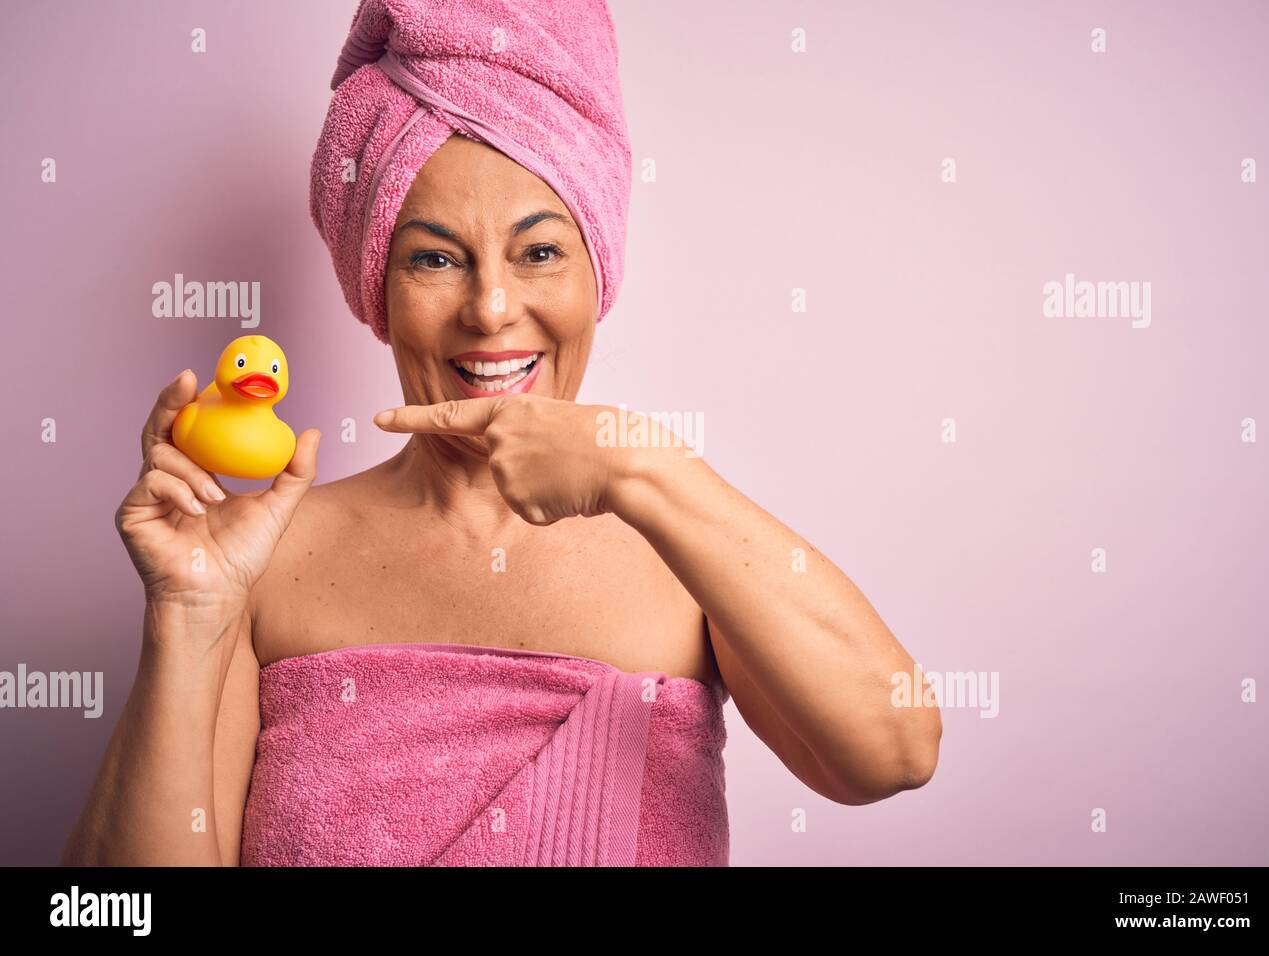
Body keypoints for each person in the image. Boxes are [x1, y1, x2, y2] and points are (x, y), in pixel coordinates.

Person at [62, 0, 939, 867]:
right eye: (435, 258)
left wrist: (638, 469)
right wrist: (187, 616)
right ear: (379, 290)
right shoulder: (262, 561)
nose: (490, 309)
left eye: (540, 252)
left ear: (598, 274)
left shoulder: (686, 546)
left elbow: (894, 753)